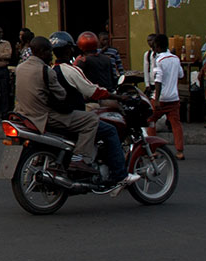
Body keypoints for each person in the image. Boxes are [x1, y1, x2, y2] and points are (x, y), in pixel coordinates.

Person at [48, 32, 139, 186]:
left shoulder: (53, 69)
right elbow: (95, 89)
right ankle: (119, 174)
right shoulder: (87, 64)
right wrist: (118, 97)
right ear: (69, 49)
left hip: (71, 109)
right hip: (92, 103)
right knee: (110, 130)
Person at [13, 36, 102, 177]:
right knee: (91, 120)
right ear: (42, 52)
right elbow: (61, 95)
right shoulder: (46, 70)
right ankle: (78, 159)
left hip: (24, 114)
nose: (51, 54)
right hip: (44, 117)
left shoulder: (20, 68)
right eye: (49, 51)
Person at [148, 34, 184, 159]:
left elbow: (158, 81)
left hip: (161, 98)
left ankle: (153, 149)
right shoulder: (175, 58)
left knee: (150, 120)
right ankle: (180, 151)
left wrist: (157, 99)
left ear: (157, 47)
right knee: (176, 124)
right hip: (174, 97)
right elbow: (181, 75)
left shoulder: (159, 60)